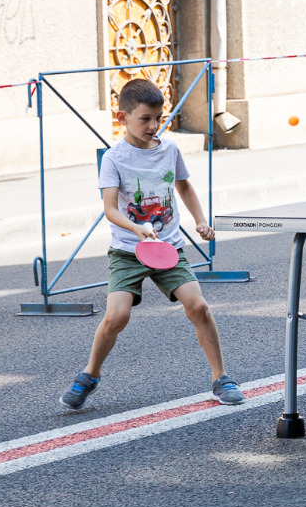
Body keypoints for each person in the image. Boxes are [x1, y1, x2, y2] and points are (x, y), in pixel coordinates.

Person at [60, 78, 243, 411]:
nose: (153, 125)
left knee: (198, 306)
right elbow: (110, 210)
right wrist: (137, 228)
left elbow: (184, 188)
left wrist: (200, 220)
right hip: (128, 251)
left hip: (168, 247)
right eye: (145, 118)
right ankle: (90, 374)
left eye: (158, 117)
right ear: (123, 118)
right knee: (117, 316)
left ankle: (221, 378)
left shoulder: (169, 149)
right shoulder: (114, 158)